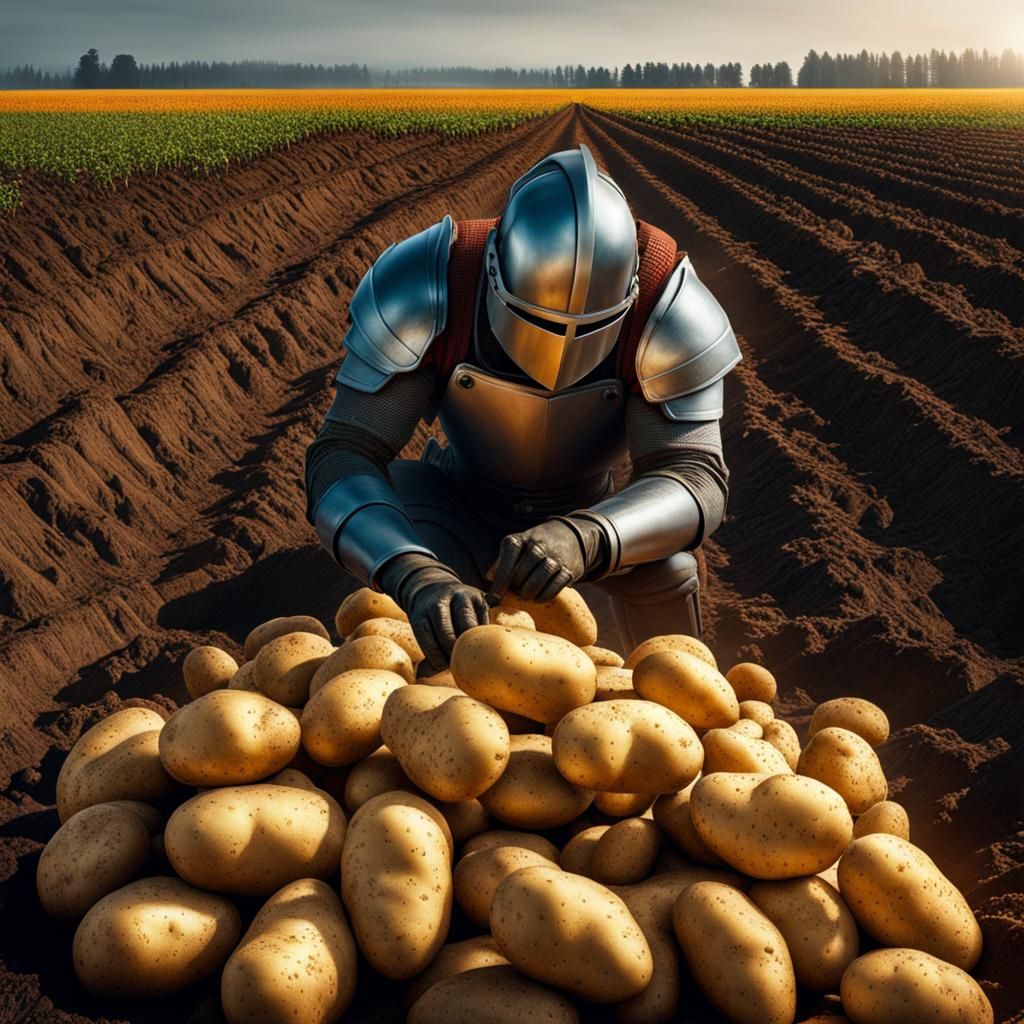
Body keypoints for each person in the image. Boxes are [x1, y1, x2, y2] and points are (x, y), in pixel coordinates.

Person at [304, 143, 740, 671]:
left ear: (629, 291)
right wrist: (412, 571)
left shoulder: (664, 304)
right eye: (540, 320)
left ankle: (681, 713)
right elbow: (346, 451)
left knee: (667, 569)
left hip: (589, 507)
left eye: (591, 327)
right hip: (457, 500)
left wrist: (588, 536)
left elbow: (695, 474)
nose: (560, 352)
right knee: (420, 602)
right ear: (492, 266)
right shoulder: (433, 279)